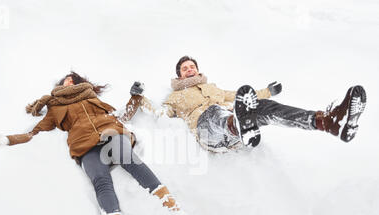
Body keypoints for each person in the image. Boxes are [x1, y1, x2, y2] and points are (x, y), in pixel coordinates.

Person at [0, 72, 196, 215]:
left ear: (79, 81)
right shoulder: (55, 107)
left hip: (111, 132)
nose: (68, 82)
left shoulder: (92, 98)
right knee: (100, 181)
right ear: (60, 85)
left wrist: (134, 98)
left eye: (72, 79)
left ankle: (174, 208)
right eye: (66, 80)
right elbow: (34, 131)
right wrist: (9, 140)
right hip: (83, 145)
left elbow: (121, 115)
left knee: (129, 159)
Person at [121, 56, 367, 152]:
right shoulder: (174, 98)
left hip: (235, 131)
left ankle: (327, 121)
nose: (190, 69)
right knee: (216, 113)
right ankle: (239, 123)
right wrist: (139, 98)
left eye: (192, 66)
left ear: (198, 69)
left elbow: (239, 94)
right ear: (178, 75)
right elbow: (160, 114)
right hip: (209, 134)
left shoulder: (212, 87)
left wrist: (267, 92)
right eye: (185, 68)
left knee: (264, 109)